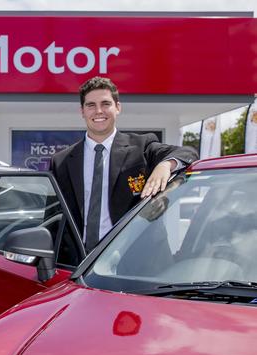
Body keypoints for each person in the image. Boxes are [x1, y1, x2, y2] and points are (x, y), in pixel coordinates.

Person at [51, 76, 197, 253]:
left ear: (118, 107)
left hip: (135, 260)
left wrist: (165, 165)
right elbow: (54, 220)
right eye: (91, 105)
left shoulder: (142, 146)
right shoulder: (61, 161)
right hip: (79, 263)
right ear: (82, 111)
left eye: (106, 104)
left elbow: (188, 153)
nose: (98, 111)